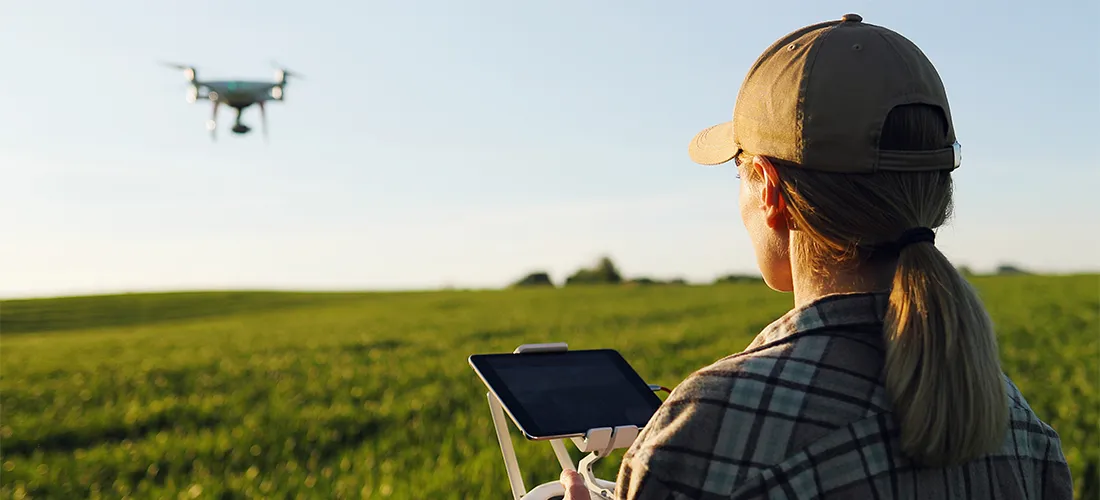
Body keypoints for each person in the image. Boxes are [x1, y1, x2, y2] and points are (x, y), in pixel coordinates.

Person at [560, 13, 1073, 500]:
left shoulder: (701, 435)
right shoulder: (1024, 435)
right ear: (937, 192)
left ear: (770, 191)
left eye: (738, 173)